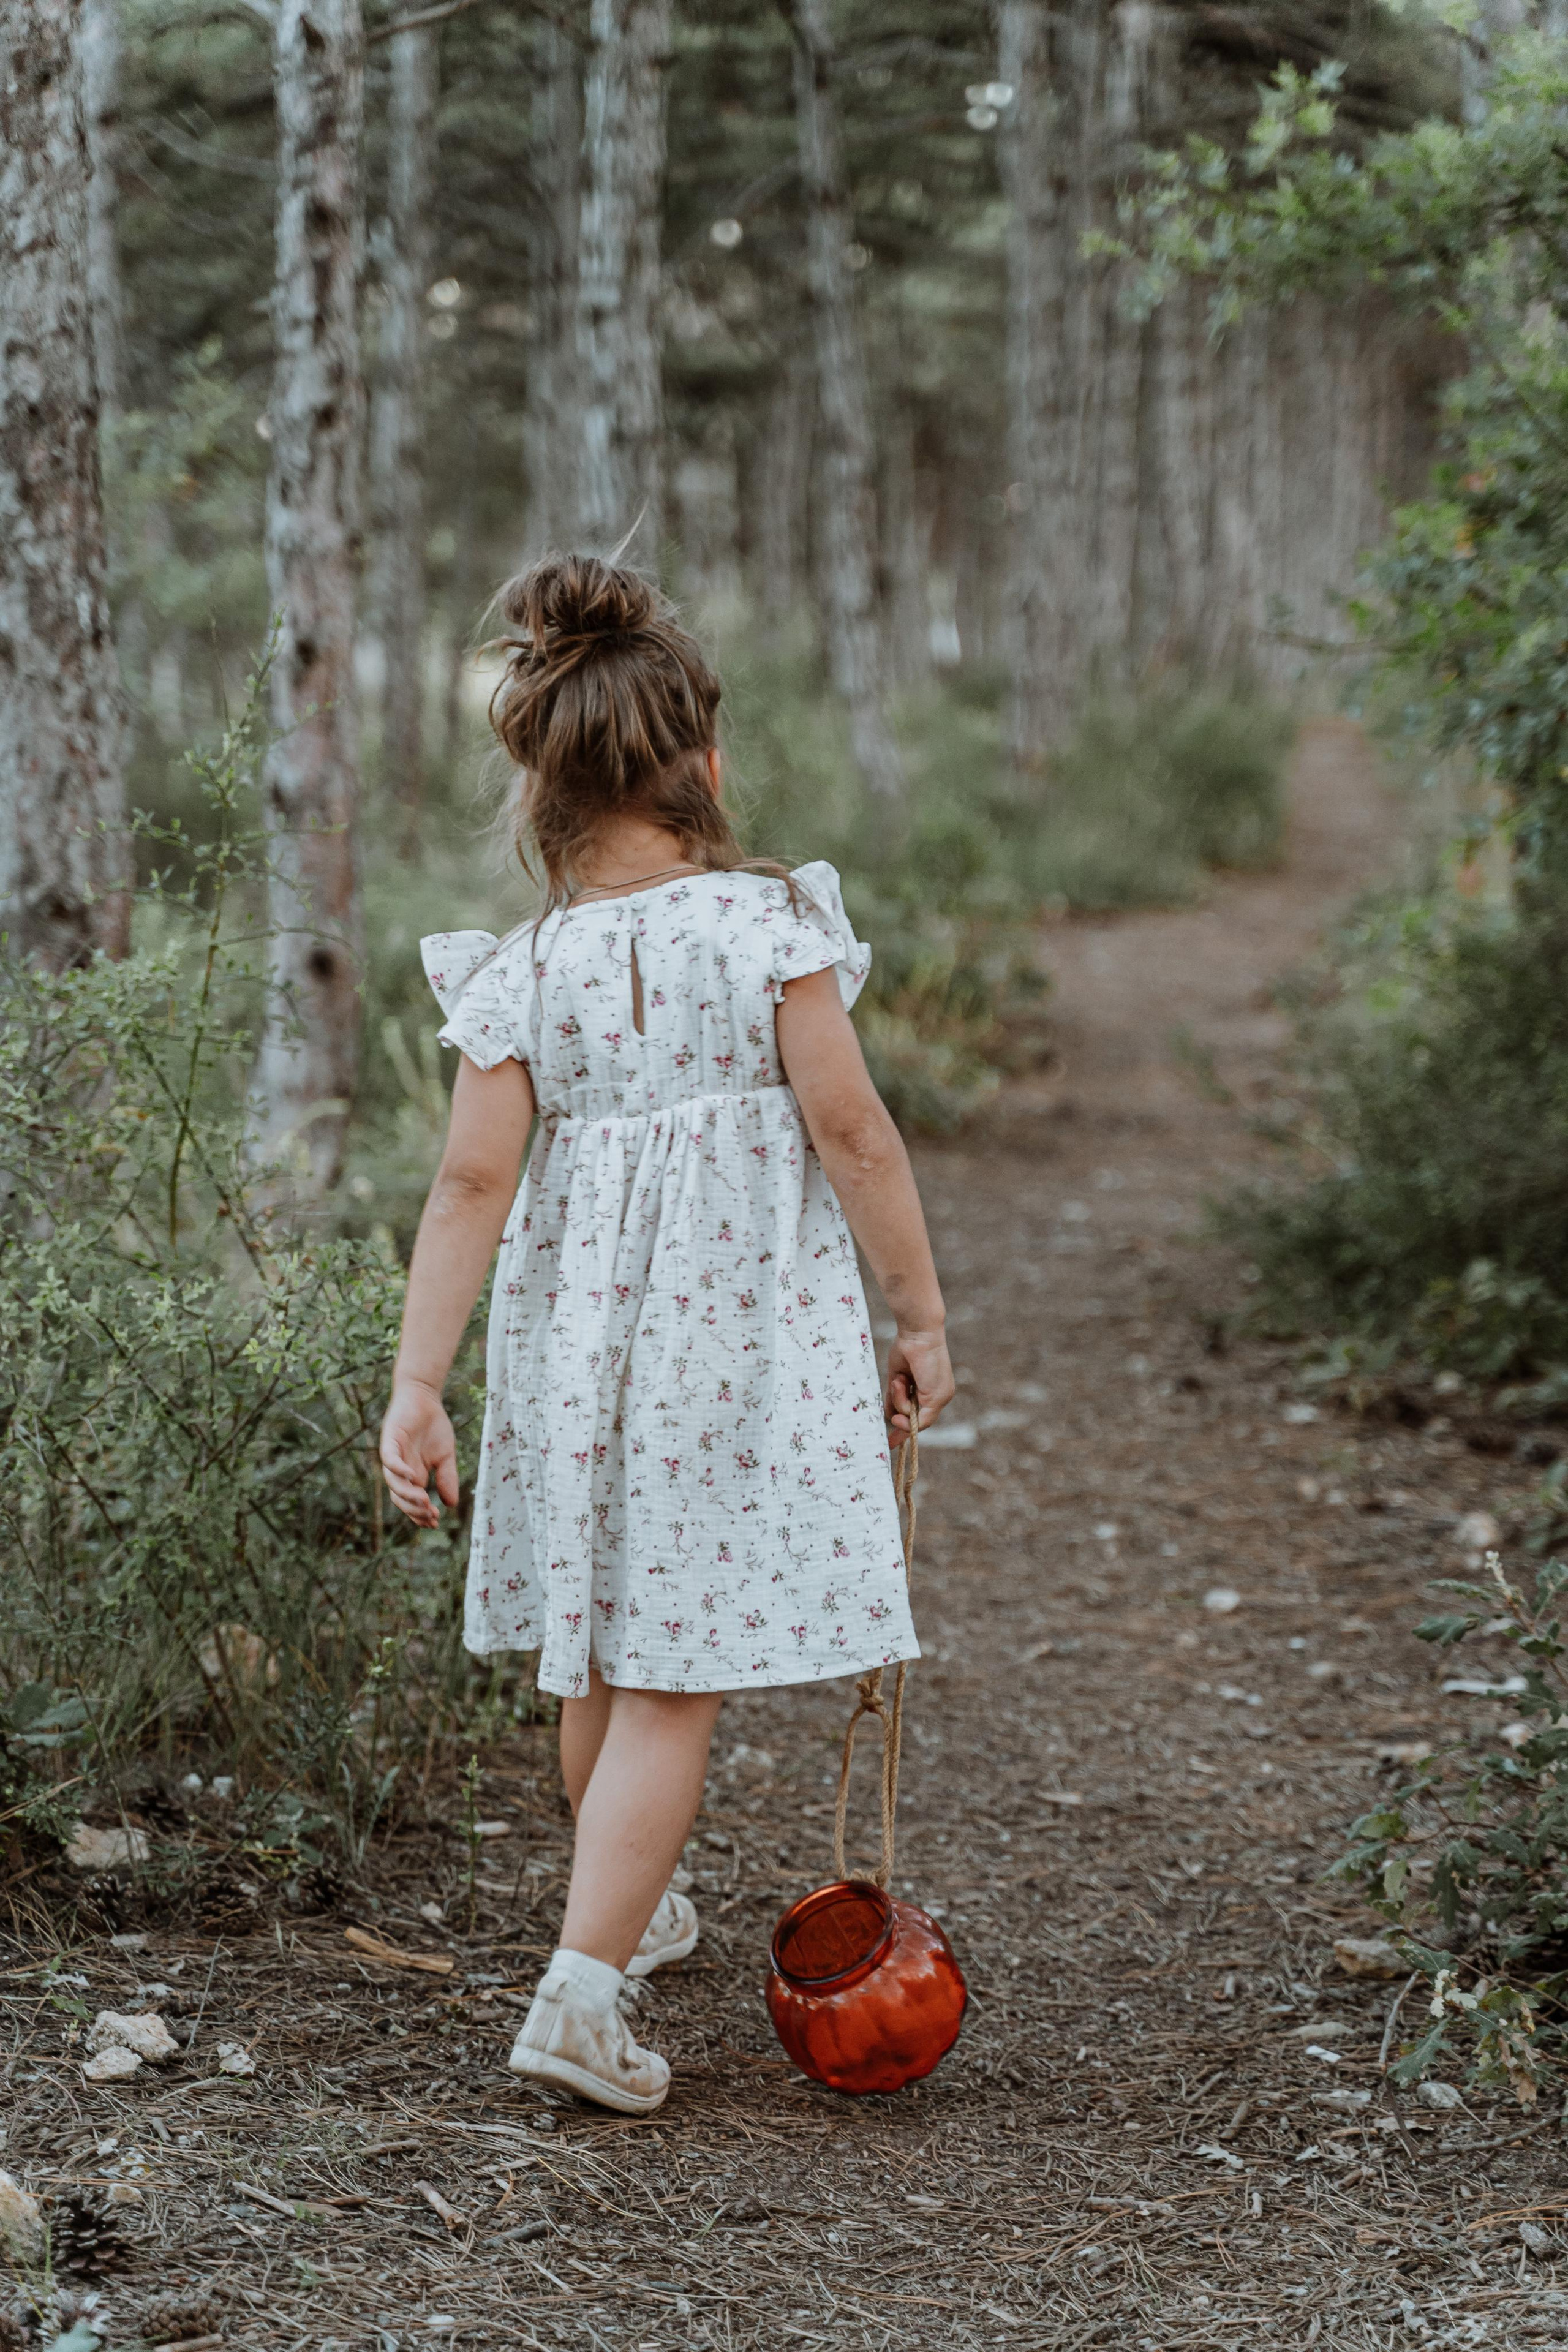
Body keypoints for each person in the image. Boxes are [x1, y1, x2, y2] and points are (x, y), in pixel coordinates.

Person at [379, 552, 954, 2114]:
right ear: (701, 763)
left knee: (598, 1653)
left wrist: (419, 1382)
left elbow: (469, 1185)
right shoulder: (768, 929)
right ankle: (575, 1993)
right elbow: (855, 1136)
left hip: (576, 1365)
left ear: (541, 787)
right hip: (729, 1361)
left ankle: (626, 1914)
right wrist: (918, 1313)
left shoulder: (523, 970)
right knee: (670, 1687)